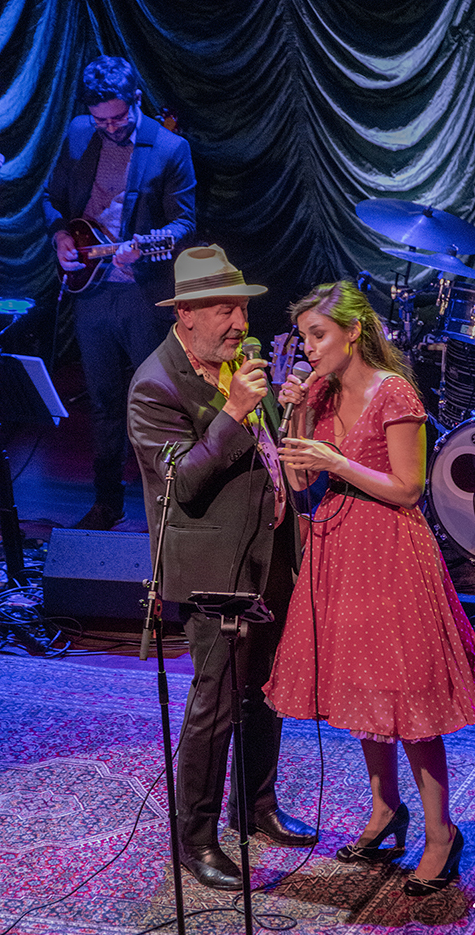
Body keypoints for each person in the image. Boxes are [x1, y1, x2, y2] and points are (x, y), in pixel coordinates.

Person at [262, 281, 475, 897]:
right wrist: (292, 413)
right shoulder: (316, 392)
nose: (309, 348)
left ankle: (442, 833)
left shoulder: (395, 392)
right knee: (363, 684)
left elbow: (407, 489)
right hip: (337, 546)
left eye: (319, 335)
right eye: (305, 337)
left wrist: (337, 462)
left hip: (389, 548)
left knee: (405, 693)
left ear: (353, 332)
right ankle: (386, 811)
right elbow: (298, 476)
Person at [127, 244, 316, 891]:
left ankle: (255, 807)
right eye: (223, 309)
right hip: (213, 571)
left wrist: (283, 409)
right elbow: (183, 485)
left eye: (240, 306)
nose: (239, 321)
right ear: (184, 315)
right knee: (214, 704)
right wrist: (234, 410)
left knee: (264, 689)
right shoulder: (155, 385)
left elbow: (261, 452)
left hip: (267, 556)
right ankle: (196, 839)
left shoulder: (235, 359)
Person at [43, 55, 196, 530]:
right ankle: (106, 503)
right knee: (104, 403)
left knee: (161, 401)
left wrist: (144, 251)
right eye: (100, 120)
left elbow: (185, 223)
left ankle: (168, 507)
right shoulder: (76, 134)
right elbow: (52, 199)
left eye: (118, 118)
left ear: (136, 100)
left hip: (142, 296)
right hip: (91, 294)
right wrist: (60, 236)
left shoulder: (170, 148)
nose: (110, 128)